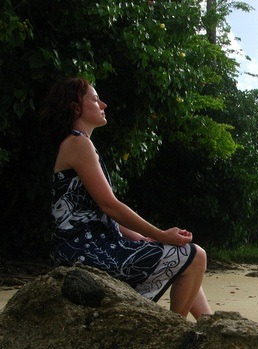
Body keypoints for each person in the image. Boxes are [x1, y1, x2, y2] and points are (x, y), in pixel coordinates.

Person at [42, 77, 212, 319]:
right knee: (195, 256)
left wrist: (146, 238)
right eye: (95, 99)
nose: (104, 104)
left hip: (87, 245)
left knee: (183, 256)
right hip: (84, 250)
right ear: (75, 107)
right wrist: (160, 235)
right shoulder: (78, 143)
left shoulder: (79, 144)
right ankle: (178, 332)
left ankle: (209, 325)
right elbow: (109, 205)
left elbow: (97, 212)